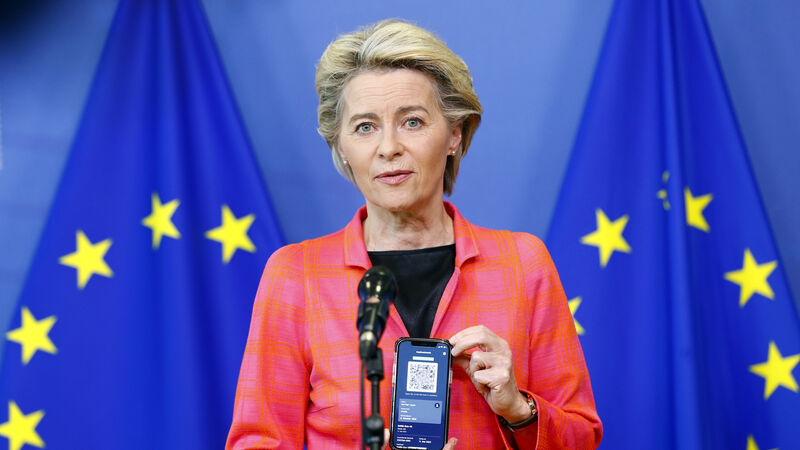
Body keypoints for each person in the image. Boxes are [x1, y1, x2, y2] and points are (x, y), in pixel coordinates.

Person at [226, 20, 602, 449]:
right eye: (365, 127)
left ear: (454, 134)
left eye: (412, 122)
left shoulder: (523, 264)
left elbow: (582, 437)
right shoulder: (295, 274)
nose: (389, 147)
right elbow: (255, 442)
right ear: (342, 148)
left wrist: (519, 409)